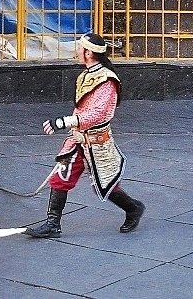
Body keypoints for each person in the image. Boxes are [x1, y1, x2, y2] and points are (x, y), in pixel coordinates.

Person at [24, 32, 145, 238]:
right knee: (61, 178)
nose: (77, 51)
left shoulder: (107, 81)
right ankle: (53, 224)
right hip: (79, 140)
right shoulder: (86, 75)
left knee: (107, 185)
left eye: (80, 48)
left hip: (97, 142)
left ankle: (133, 208)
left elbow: (97, 114)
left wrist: (63, 122)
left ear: (88, 53)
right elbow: (82, 111)